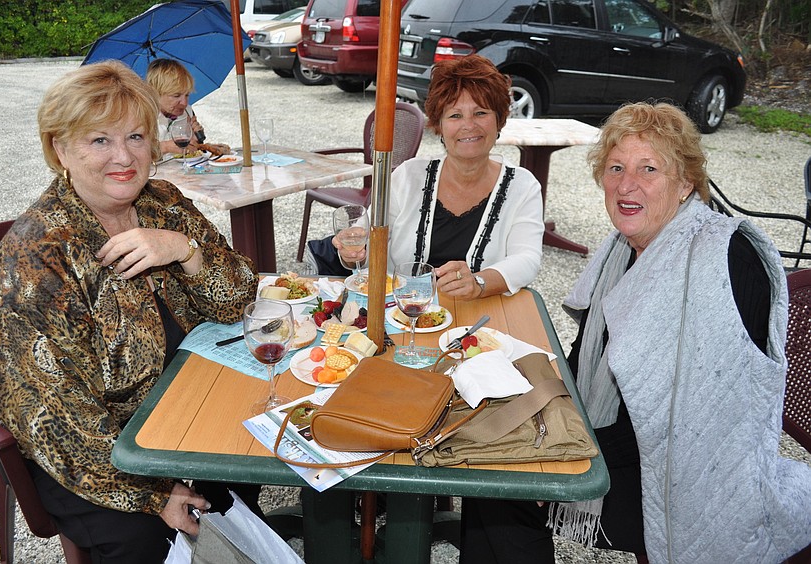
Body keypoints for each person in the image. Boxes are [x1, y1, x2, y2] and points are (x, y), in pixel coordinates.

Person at [459, 102, 811, 563]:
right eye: (616, 167)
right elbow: (581, 357)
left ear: (686, 182)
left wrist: (565, 454)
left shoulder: (726, 258)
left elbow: (697, 416)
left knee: (501, 487)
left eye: (649, 169)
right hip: (628, 450)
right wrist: (522, 399)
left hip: (690, 480)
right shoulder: (621, 251)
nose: (627, 185)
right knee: (488, 462)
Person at [0, 61, 261, 562]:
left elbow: (238, 299)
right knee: (151, 542)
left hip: (175, 404)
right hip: (83, 446)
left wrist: (185, 250)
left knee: (245, 474)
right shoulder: (38, 259)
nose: (124, 156)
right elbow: (56, 415)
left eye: (137, 136)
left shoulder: (163, 202)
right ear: (60, 149)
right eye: (99, 140)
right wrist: (154, 494)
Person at [333, 54, 544, 299]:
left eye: (480, 113)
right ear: (439, 126)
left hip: (480, 319)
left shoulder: (523, 186)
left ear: (499, 121)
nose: (469, 125)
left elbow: (527, 258)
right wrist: (352, 253)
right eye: (455, 115)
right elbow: (367, 240)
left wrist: (479, 282)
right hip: (401, 313)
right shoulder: (407, 176)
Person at [145, 58, 229, 156]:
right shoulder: (141, 116)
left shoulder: (187, 112)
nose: (184, 103)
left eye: (187, 95)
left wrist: (195, 141)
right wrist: (165, 147)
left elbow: (190, 153)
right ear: (155, 93)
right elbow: (131, 154)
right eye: (176, 96)